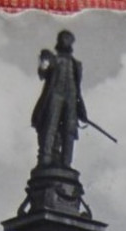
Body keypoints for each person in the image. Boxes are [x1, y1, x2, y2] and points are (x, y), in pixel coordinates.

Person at [31, 30, 89, 168]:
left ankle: (66, 163)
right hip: (54, 95)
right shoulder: (52, 59)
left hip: (71, 98)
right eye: (64, 39)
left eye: (68, 40)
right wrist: (44, 62)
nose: (66, 42)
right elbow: (42, 73)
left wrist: (82, 111)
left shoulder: (77, 65)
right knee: (50, 126)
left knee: (69, 129)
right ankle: (45, 160)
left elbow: (78, 89)